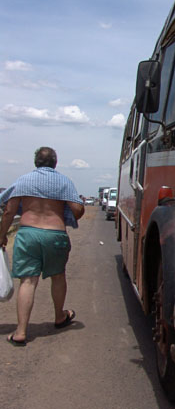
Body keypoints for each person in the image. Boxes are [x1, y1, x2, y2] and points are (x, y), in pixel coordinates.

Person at [0, 147, 84, 346]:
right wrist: (68, 213)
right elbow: (78, 209)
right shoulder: (64, 181)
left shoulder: (23, 181)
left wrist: (1, 235)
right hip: (55, 234)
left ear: (36, 162)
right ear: (55, 163)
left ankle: (20, 331)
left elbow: (9, 212)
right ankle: (59, 317)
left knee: (28, 281)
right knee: (58, 276)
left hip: (28, 233)